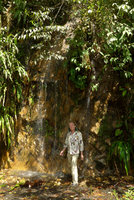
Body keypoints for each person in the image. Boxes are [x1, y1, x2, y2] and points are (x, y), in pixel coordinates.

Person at [60, 121, 84, 186]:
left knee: (74, 165)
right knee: (71, 165)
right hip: (69, 153)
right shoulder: (68, 134)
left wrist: (81, 154)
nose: (71, 127)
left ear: (75, 126)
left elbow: (81, 144)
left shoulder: (79, 134)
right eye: (70, 126)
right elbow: (66, 144)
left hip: (76, 153)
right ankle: (74, 179)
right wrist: (63, 151)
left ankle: (75, 182)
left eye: (72, 125)